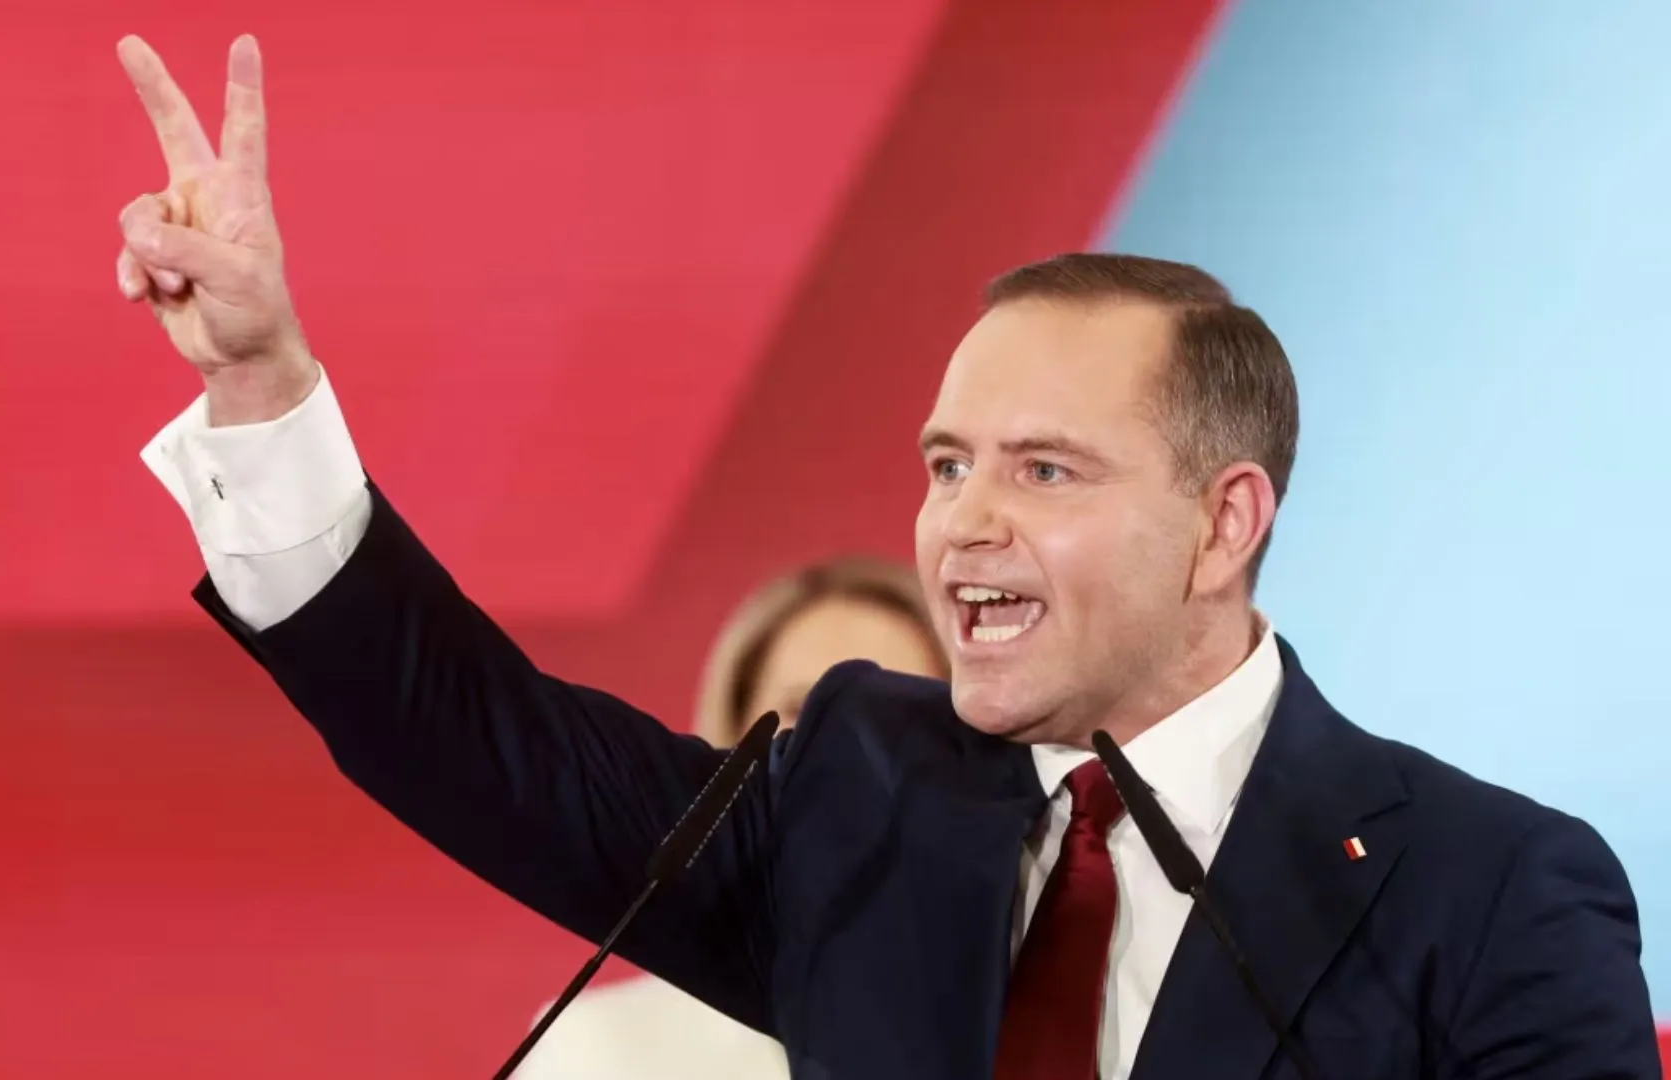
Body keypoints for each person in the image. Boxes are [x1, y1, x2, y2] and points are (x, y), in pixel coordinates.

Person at [113, 35, 1660, 1080]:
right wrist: (261, 385)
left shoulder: (1492, 889)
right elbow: (467, 737)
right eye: (946, 464)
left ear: (1223, 523)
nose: (963, 522)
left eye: (1044, 469)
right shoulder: (861, 795)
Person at [514, 558, 947, 1080]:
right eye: (802, 711)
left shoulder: (1028, 1041)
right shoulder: (594, 1052)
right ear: (732, 752)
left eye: (898, 714)